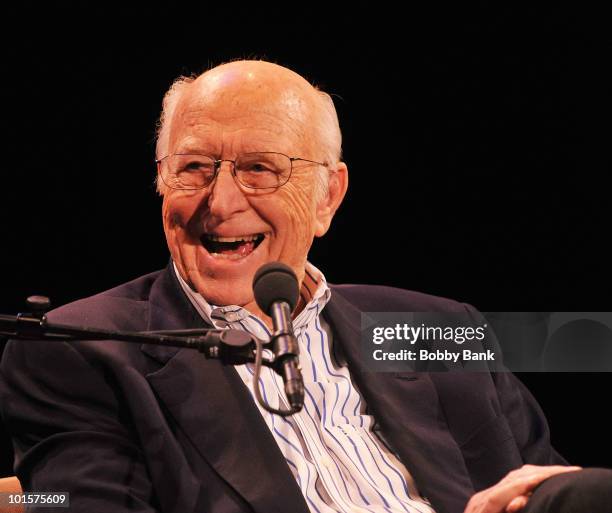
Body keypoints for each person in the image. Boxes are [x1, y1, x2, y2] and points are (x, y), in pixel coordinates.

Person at [0, 60, 610, 513]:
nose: (222, 201)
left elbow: (545, 484)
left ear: (329, 197)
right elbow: (74, 506)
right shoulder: (81, 349)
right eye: (193, 168)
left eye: (261, 169)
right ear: (160, 183)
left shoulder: (434, 327)